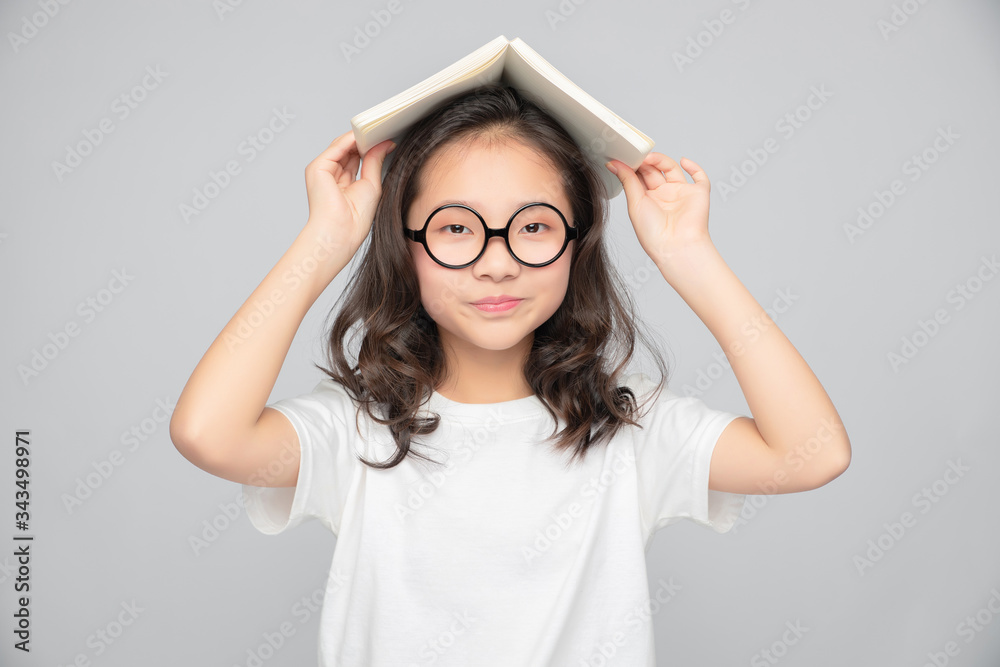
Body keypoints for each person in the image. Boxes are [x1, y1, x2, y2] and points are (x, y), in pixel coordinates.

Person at [169, 82, 851, 666]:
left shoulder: (627, 424)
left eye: (533, 227)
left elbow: (811, 453)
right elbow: (208, 433)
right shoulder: (358, 426)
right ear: (405, 247)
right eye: (457, 229)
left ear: (575, 242)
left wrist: (688, 255)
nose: (498, 263)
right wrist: (323, 240)